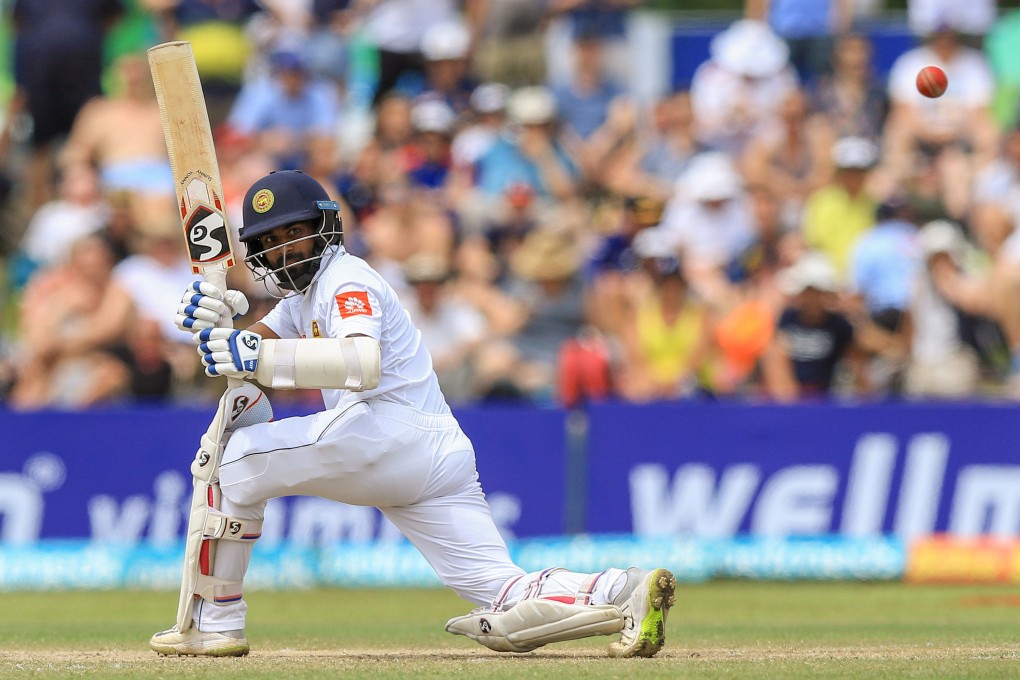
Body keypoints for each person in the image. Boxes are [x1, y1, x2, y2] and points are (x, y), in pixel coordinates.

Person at [148, 169, 675, 657]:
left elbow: (360, 361)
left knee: (230, 461)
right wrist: (213, 329)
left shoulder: (346, 281)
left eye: (290, 234)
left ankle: (217, 622)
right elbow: (241, 362)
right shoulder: (300, 299)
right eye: (266, 243)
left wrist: (252, 354)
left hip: (384, 428)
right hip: (432, 453)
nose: (280, 251)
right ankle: (621, 589)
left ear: (325, 227)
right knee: (502, 590)